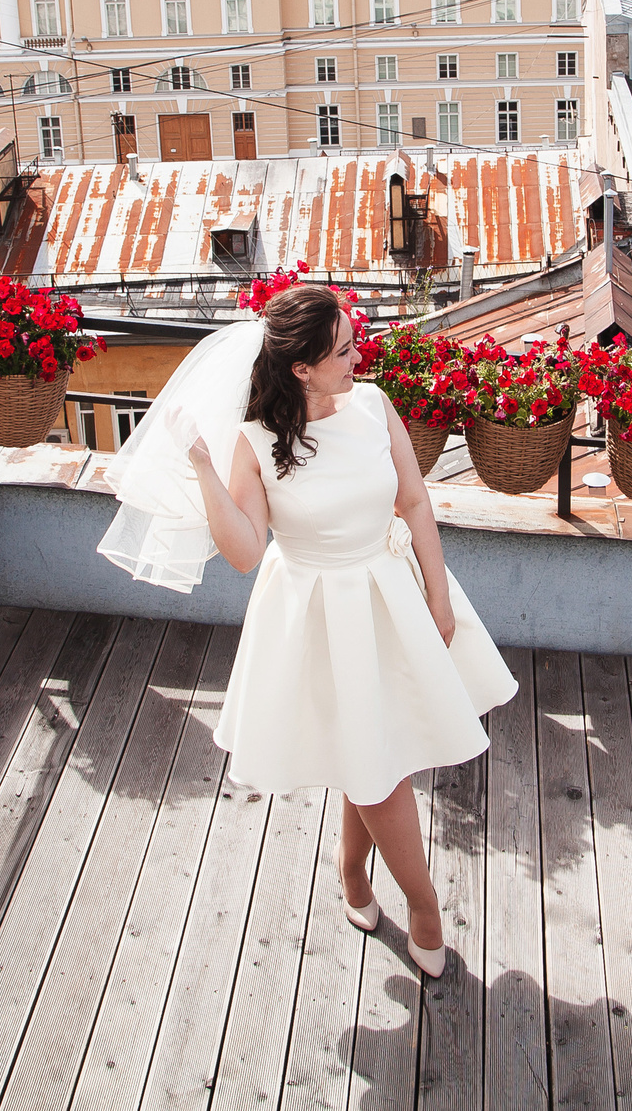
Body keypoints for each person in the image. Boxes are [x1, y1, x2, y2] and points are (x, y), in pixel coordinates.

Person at [117, 284, 514, 977]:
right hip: (320, 618)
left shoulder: (373, 404)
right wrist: (204, 468)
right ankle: (423, 906)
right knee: (377, 768)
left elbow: (415, 499)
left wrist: (439, 596)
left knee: (372, 757)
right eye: (343, 352)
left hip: (390, 595)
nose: (359, 356)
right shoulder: (256, 442)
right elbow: (244, 550)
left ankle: (353, 872)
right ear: (300, 367)